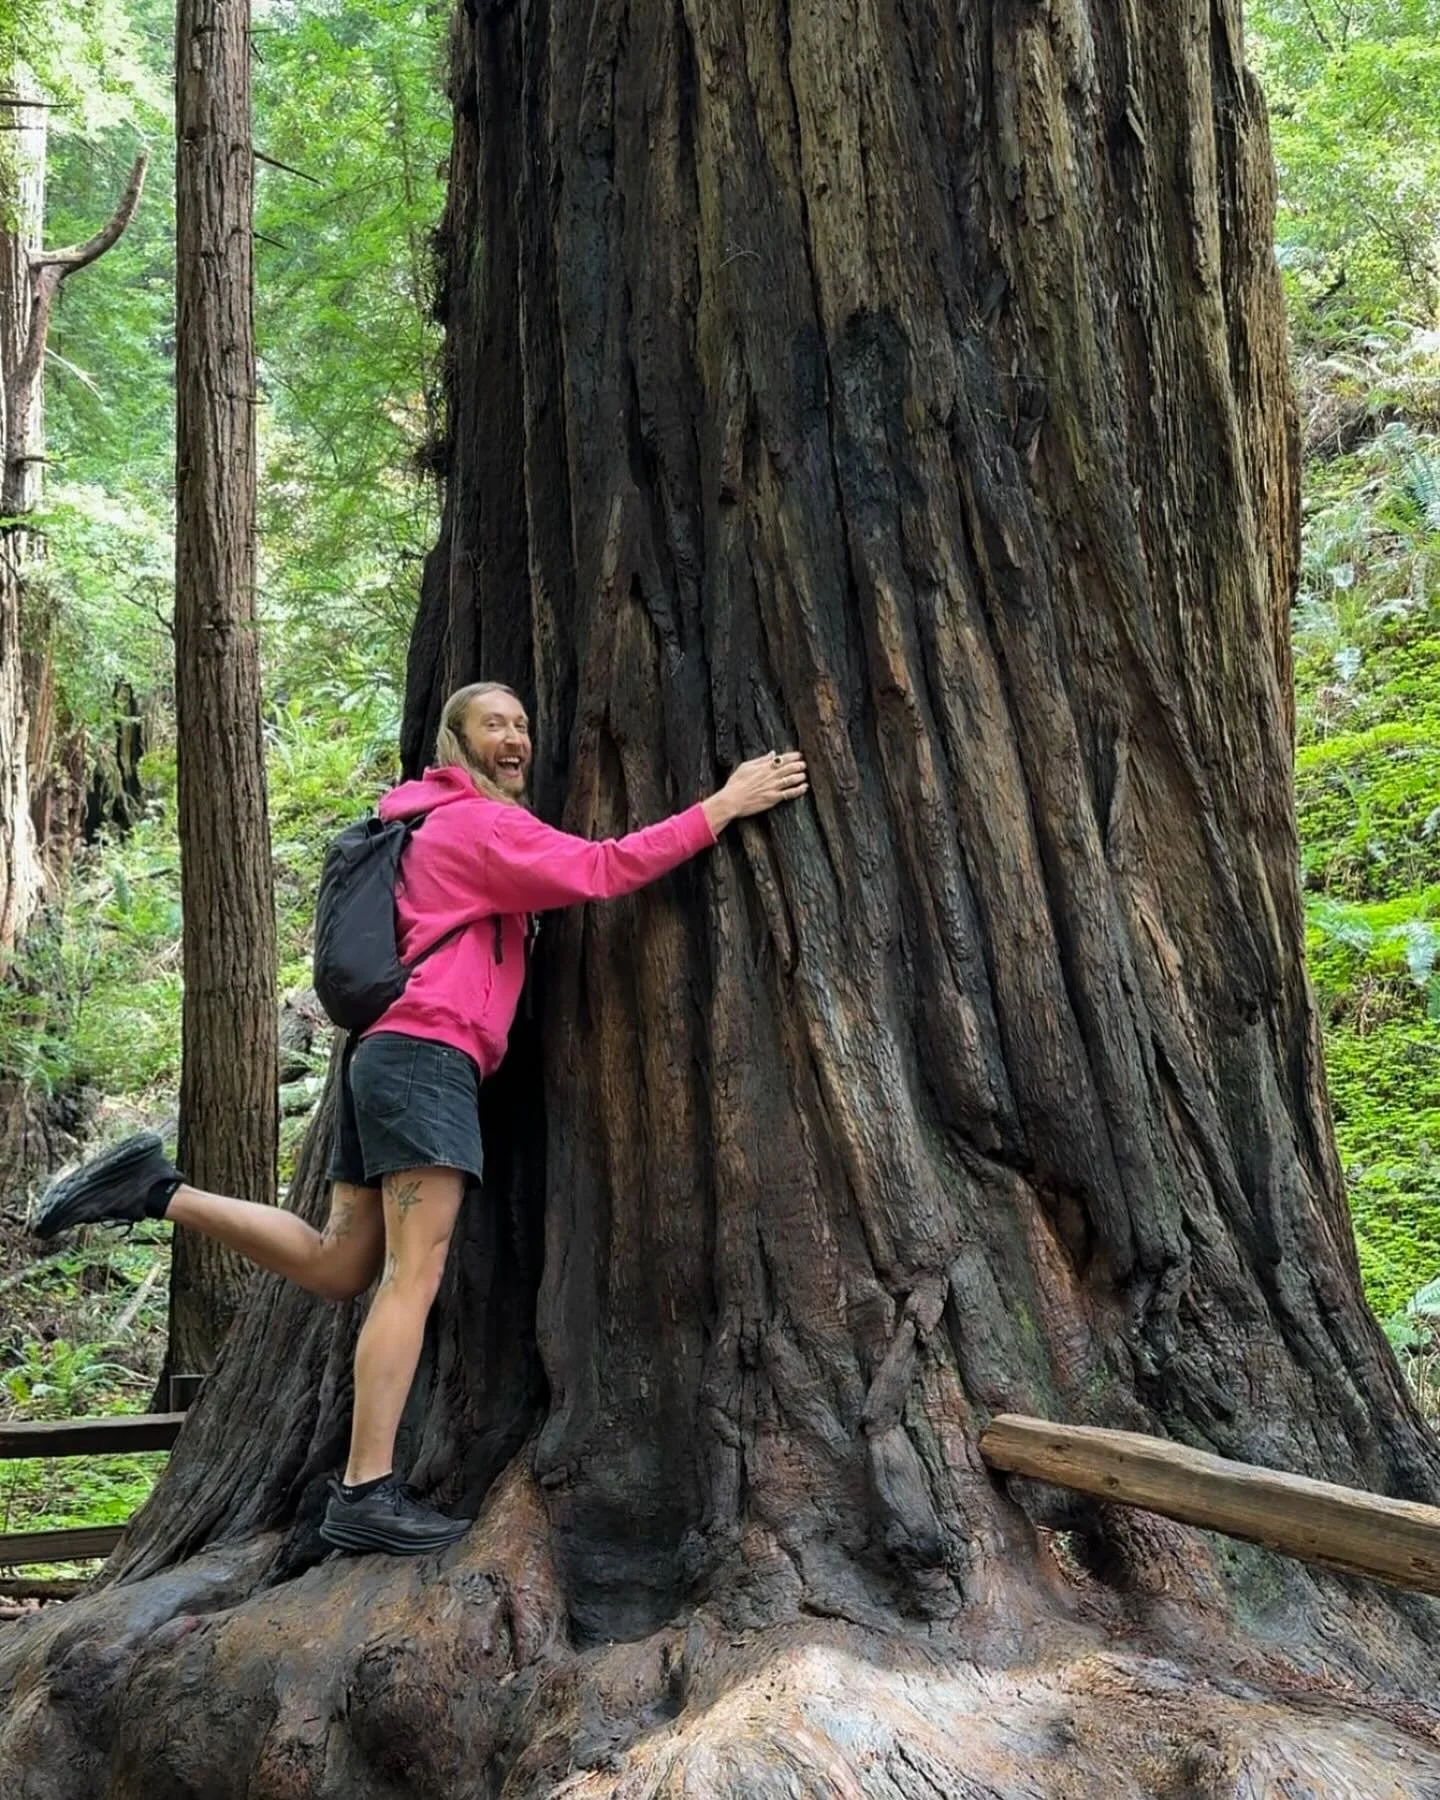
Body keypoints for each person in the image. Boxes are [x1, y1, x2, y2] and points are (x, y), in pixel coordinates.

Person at [31, 681, 808, 1554]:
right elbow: (602, 869)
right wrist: (724, 804)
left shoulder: (421, 824)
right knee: (413, 1273)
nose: (514, 737)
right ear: (455, 742)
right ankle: (365, 1490)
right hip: (426, 1059)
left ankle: (156, 1186)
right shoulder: (479, 826)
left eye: (522, 722)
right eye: (493, 725)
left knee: (340, 1265)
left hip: (384, 1059)